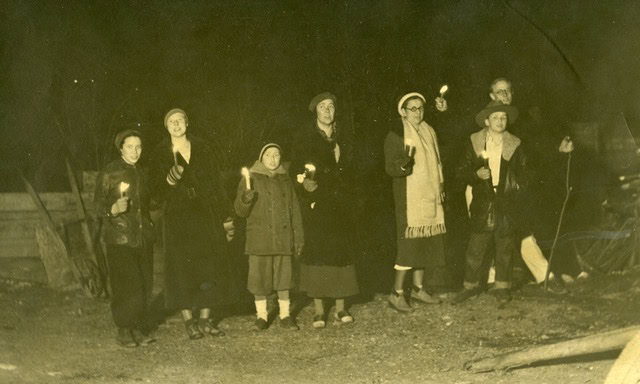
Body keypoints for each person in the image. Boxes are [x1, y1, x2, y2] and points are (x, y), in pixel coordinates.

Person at [150, 108, 235, 340]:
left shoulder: (203, 147)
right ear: (166, 127)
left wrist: (226, 215)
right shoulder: (160, 152)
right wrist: (169, 180)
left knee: (210, 266)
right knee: (181, 268)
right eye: (171, 122)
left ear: (187, 123)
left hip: (205, 213)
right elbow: (155, 192)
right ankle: (189, 321)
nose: (176, 125)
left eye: (180, 120)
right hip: (178, 217)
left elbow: (216, 182)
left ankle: (206, 319)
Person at [485, 78, 574, 291]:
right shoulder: (484, 119)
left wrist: (557, 150)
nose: (505, 95)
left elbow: (535, 150)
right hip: (483, 188)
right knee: (487, 233)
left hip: (511, 189)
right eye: (500, 92)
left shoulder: (518, 123)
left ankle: (543, 276)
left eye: (508, 91)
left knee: (520, 230)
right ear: (491, 96)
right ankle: (490, 278)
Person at [290, 92, 359, 328]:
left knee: (341, 254)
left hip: (341, 206)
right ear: (315, 112)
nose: (328, 111)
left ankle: (340, 309)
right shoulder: (305, 138)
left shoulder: (344, 137)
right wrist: (304, 185)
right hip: (317, 206)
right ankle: (319, 311)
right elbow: (296, 171)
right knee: (318, 255)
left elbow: (353, 169)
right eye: (322, 107)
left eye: (331, 106)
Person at [454, 100, 528, 304]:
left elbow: (525, 172)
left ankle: (502, 286)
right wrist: (475, 174)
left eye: (503, 117)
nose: (500, 121)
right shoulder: (475, 142)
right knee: (476, 247)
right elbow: (460, 171)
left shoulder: (515, 143)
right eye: (495, 117)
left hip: (506, 201)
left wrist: (517, 189)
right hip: (483, 201)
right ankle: (470, 286)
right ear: (486, 121)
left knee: (504, 246)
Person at [384, 92, 447, 313]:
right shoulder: (396, 133)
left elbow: (437, 161)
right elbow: (391, 167)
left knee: (426, 241)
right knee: (409, 244)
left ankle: (419, 288)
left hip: (429, 194)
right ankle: (397, 293)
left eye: (421, 108)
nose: (418, 112)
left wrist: (440, 184)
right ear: (402, 111)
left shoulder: (429, 130)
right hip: (408, 198)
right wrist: (404, 164)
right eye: (413, 108)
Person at [94, 129, 155, 347]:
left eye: (138, 146)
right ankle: (123, 330)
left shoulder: (143, 172)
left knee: (144, 284)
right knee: (126, 287)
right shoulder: (109, 173)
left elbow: (150, 204)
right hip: (119, 238)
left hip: (142, 237)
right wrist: (113, 208)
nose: (135, 151)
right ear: (121, 148)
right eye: (130, 146)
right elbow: (97, 206)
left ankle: (137, 328)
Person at [234, 143, 304, 331]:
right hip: (259, 238)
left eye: (276, 155)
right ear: (261, 158)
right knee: (259, 279)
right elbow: (240, 211)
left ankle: (285, 315)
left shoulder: (285, 180)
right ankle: (262, 317)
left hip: (282, 238)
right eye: (268, 155)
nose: (273, 159)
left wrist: (298, 237)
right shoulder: (251, 178)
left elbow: (294, 210)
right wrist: (245, 199)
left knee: (284, 278)